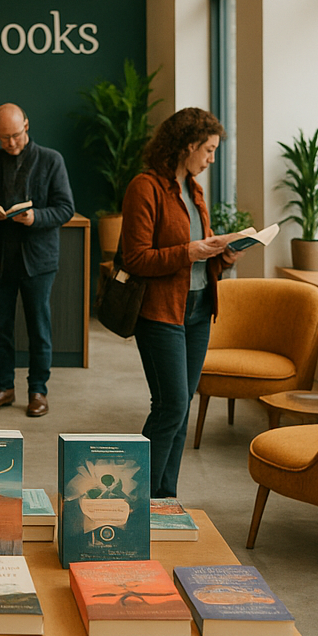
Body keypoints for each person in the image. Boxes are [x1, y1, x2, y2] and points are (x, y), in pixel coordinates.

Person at [120, 107, 242, 499]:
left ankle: (164, 498)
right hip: (160, 313)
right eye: (207, 150)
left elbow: (199, 251)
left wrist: (224, 253)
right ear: (187, 145)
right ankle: (138, 499)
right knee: (170, 405)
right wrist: (188, 251)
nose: (210, 159)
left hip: (198, 310)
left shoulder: (194, 188)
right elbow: (136, 258)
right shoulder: (145, 187)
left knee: (182, 408)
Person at [0, 103, 76, 418]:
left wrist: (35, 217)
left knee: (38, 327)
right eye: (4, 138)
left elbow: (66, 208)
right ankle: (3, 387)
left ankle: (38, 391)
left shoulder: (51, 160)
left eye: (15, 135)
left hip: (38, 261)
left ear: (26, 125)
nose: (11, 143)